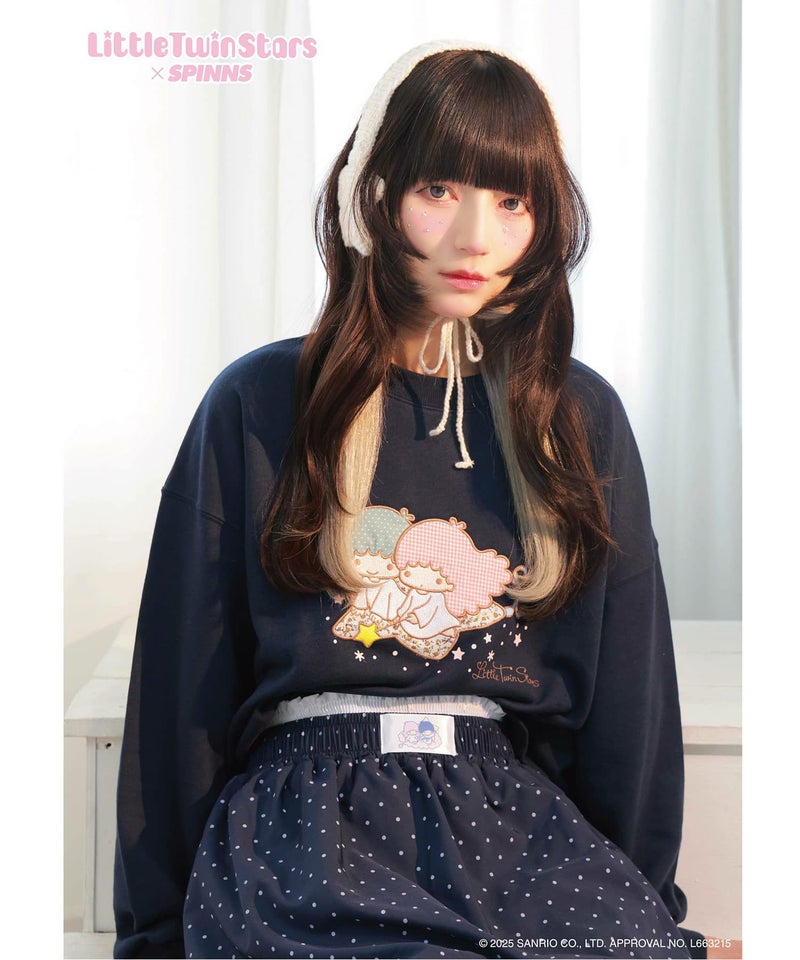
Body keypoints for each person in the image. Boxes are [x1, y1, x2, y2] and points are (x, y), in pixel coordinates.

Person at [113, 41, 724, 959]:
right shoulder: (260, 403)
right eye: (439, 189)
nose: (476, 237)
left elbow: (628, 703)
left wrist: (641, 916)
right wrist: (154, 939)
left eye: (512, 200)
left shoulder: (575, 416)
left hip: (509, 833)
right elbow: (179, 698)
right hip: (305, 833)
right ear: (373, 193)